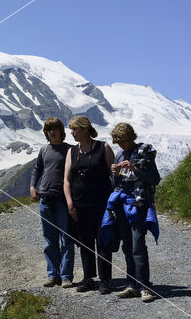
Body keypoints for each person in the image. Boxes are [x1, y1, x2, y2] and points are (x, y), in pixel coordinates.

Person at [108, 123, 161, 303]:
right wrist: (114, 174)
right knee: (127, 245)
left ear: (131, 137)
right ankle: (132, 284)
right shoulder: (119, 154)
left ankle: (144, 286)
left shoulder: (143, 152)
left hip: (138, 204)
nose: (121, 144)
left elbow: (155, 178)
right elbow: (116, 185)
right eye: (118, 142)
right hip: (122, 204)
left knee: (138, 244)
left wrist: (135, 168)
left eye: (123, 140)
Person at [63, 116, 115, 294]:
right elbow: (67, 181)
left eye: (75, 129)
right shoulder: (72, 151)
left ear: (85, 129)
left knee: (103, 241)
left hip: (102, 204)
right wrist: (70, 203)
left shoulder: (103, 148)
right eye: (71, 129)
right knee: (84, 242)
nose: (72, 133)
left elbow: (114, 175)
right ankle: (88, 278)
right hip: (80, 204)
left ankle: (105, 280)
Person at [30, 117, 75, 288]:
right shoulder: (43, 150)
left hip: (63, 200)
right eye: (49, 129)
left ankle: (66, 276)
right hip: (45, 199)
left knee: (66, 239)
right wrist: (32, 186)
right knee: (50, 240)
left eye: (54, 128)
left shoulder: (70, 150)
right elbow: (37, 169)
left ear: (61, 131)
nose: (52, 131)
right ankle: (52, 274)